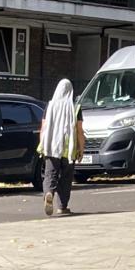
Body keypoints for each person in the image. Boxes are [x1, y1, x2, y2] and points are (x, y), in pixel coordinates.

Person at [38, 78, 84, 216]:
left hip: (51, 146)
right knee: (66, 177)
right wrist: (81, 148)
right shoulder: (75, 107)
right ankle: (62, 206)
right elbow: (79, 130)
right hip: (68, 147)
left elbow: (44, 127)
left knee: (50, 174)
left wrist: (42, 145)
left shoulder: (50, 105)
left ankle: (48, 193)